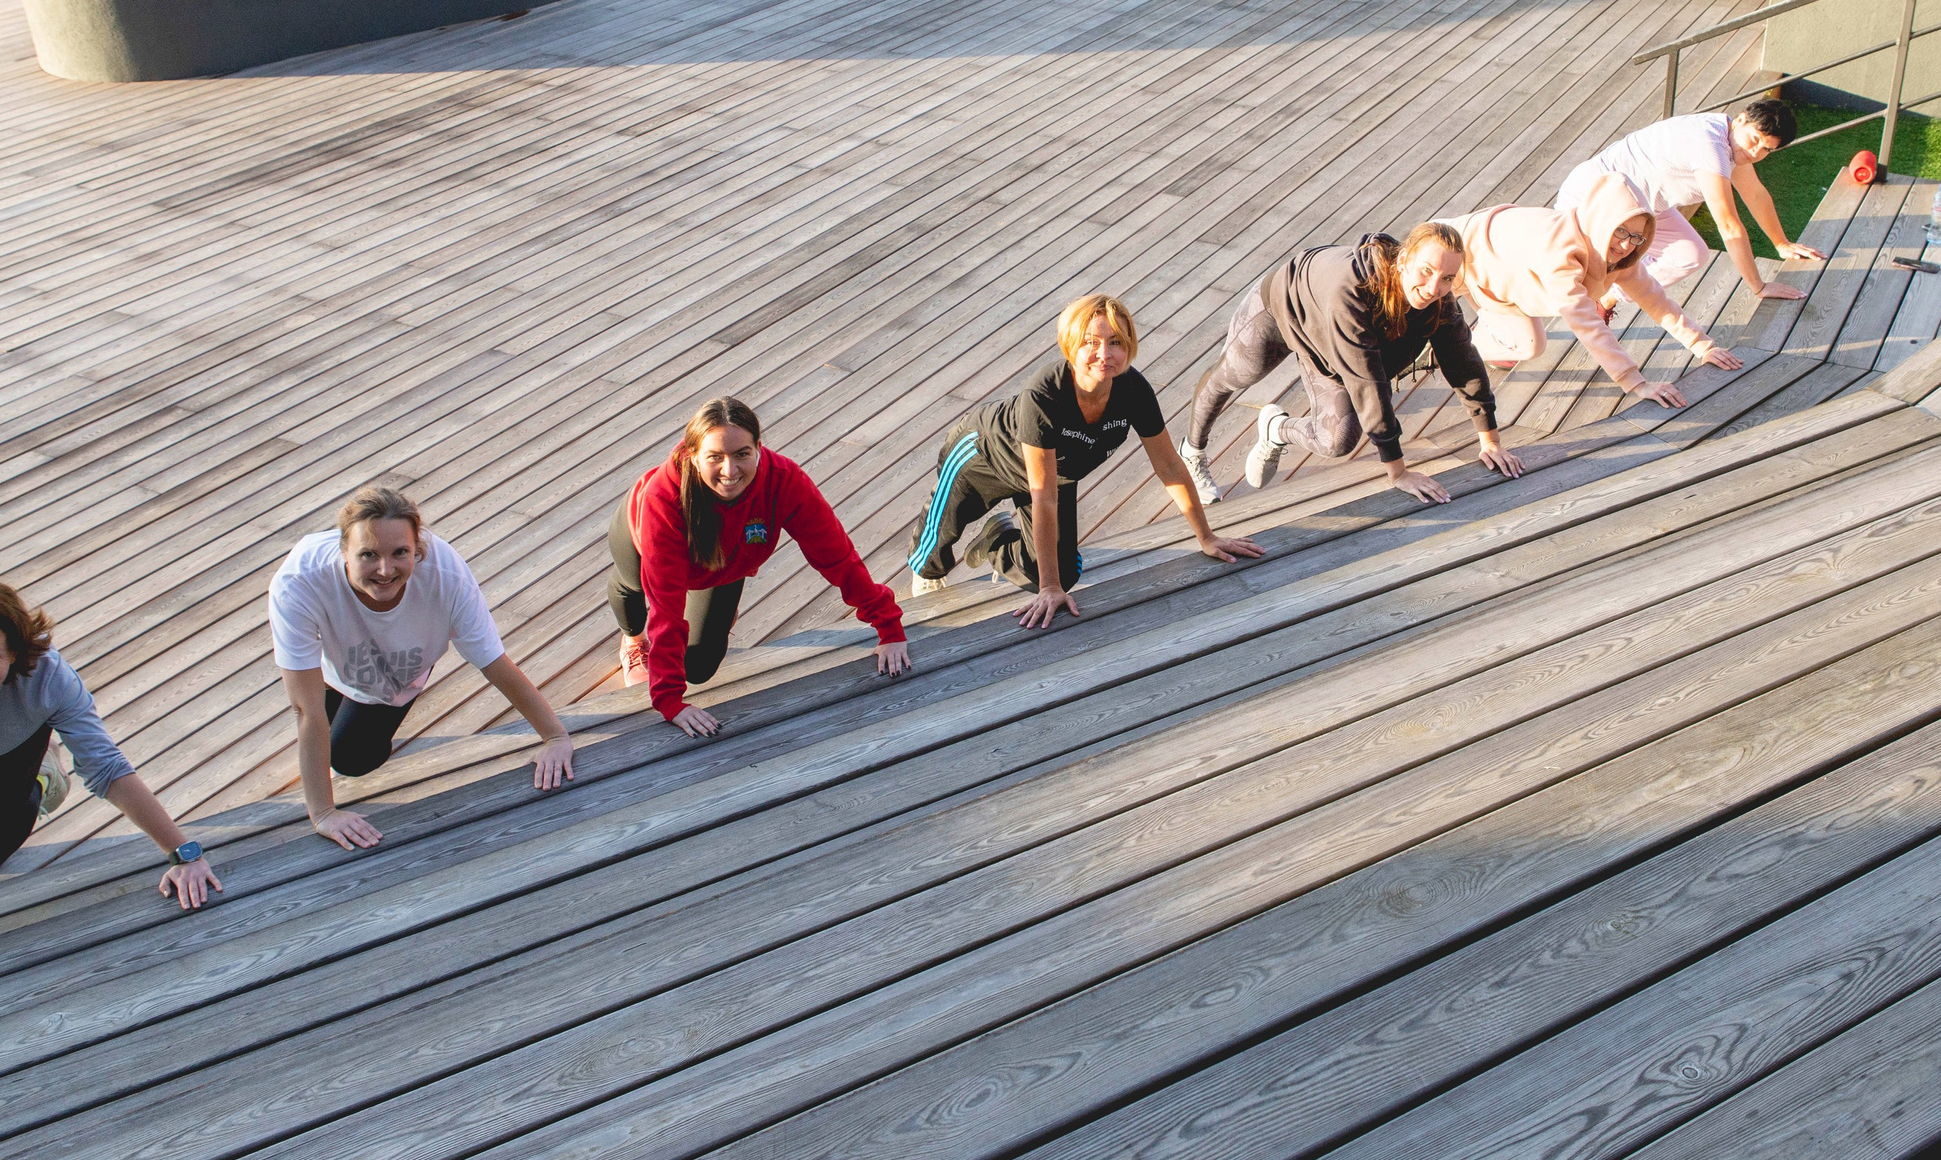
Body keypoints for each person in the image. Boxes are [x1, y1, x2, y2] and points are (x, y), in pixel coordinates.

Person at [0, 578, 222, 1003]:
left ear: (14, 653)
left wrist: (184, 853)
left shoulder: (47, 675)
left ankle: (40, 772)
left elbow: (106, 768)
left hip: (16, 741)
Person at [910, 294, 1265, 630]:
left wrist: (1207, 536)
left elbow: (1169, 466)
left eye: (1115, 342)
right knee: (938, 542)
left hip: (1054, 474)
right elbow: (1043, 496)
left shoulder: (1133, 391)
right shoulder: (1044, 395)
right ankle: (928, 573)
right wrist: (1049, 589)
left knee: (1064, 577)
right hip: (986, 456)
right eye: (1090, 343)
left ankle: (994, 540)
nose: (1104, 354)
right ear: (1069, 347)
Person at [271, 486, 576, 851]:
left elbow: (493, 662)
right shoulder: (299, 582)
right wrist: (323, 813)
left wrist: (555, 737)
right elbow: (305, 708)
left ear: (419, 549)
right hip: (336, 662)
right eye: (368, 554)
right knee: (322, 720)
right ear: (343, 552)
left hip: (399, 667)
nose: (385, 570)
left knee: (350, 759)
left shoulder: (447, 577)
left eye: (400, 553)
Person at [613, 397, 911, 739]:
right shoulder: (662, 499)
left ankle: (712, 619)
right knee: (634, 591)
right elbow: (666, 606)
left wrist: (889, 627)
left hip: (722, 566)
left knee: (699, 667)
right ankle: (633, 640)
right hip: (639, 539)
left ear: (758, 447)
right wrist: (669, 701)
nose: (730, 470)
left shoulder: (784, 480)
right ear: (693, 456)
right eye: (715, 457)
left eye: (742, 454)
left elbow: (837, 556)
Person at [1182, 223, 1522, 508]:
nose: (1434, 287)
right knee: (1234, 376)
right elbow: (1367, 382)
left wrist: (1489, 440)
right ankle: (1192, 452)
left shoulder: (1440, 302)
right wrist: (1399, 472)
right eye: (1427, 271)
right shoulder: (1352, 291)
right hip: (1282, 307)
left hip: (1327, 343)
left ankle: (1275, 430)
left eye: (1448, 278)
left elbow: (1463, 362)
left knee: (1337, 441)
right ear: (1404, 260)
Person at [1439, 168, 1745, 413]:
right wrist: (1634, 381)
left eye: (1637, 236)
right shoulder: (1561, 252)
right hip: (1453, 250)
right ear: (1601, 221)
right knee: (1405, 325)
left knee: (1530, 347)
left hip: (1503, 281)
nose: (1626, 244)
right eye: (1621, 230)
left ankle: (1450, 347)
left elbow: (1655, 299)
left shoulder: (1621, 257)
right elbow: (1586, 323)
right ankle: (1438, 338)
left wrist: (1702, 346)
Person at [1559, 98, 1826, 305]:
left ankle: (1611, 296)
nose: (1756, 152)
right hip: (1592, 195)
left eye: (1766, 149)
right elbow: (1729, 226)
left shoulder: (1735, 145)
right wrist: (1759, 286)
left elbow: (1755, 194)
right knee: (1571, 273)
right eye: (1755, 140)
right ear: (1741, 119)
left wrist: (1781, 243)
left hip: (1643, 207)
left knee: (1689, 254)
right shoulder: (1710, 146)